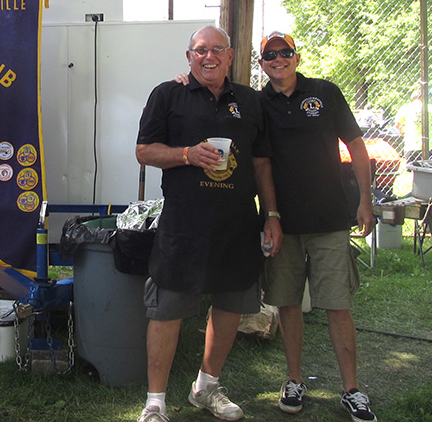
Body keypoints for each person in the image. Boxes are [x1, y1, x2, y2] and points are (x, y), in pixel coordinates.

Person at [135, 25, 283, 422]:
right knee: (166, 308)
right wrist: (186, 154)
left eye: (217, 49)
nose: (209, 57)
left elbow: (261, 163)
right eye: (200, 50)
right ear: (189, 57)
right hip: (183, 223)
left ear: (231, 56)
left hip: (237, 224)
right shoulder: (168, 94)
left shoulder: (250, 102)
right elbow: (144, 151)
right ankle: (156, 401)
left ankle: (206, 386)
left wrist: (271, 215)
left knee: (231, 302)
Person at [257, 31, 377, 422]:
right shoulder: (258, 103)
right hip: (283, 224)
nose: (279, 59)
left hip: (329, 219)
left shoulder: (325, 91)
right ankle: (294, 380)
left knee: (337, 305)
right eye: (270, 55)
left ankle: (351, 389)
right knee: (288, 303)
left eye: (285, 53)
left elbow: (356, 145)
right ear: (262, 63)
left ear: (296, 56)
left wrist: (365, 200)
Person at [395, 89, 432, 163]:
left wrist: (403, 132)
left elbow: (398, 124)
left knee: (412, 168)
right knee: (427, 168)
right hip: (427, 144)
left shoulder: (406, 108)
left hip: (411, 143)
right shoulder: (430, 108)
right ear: (423, 97)